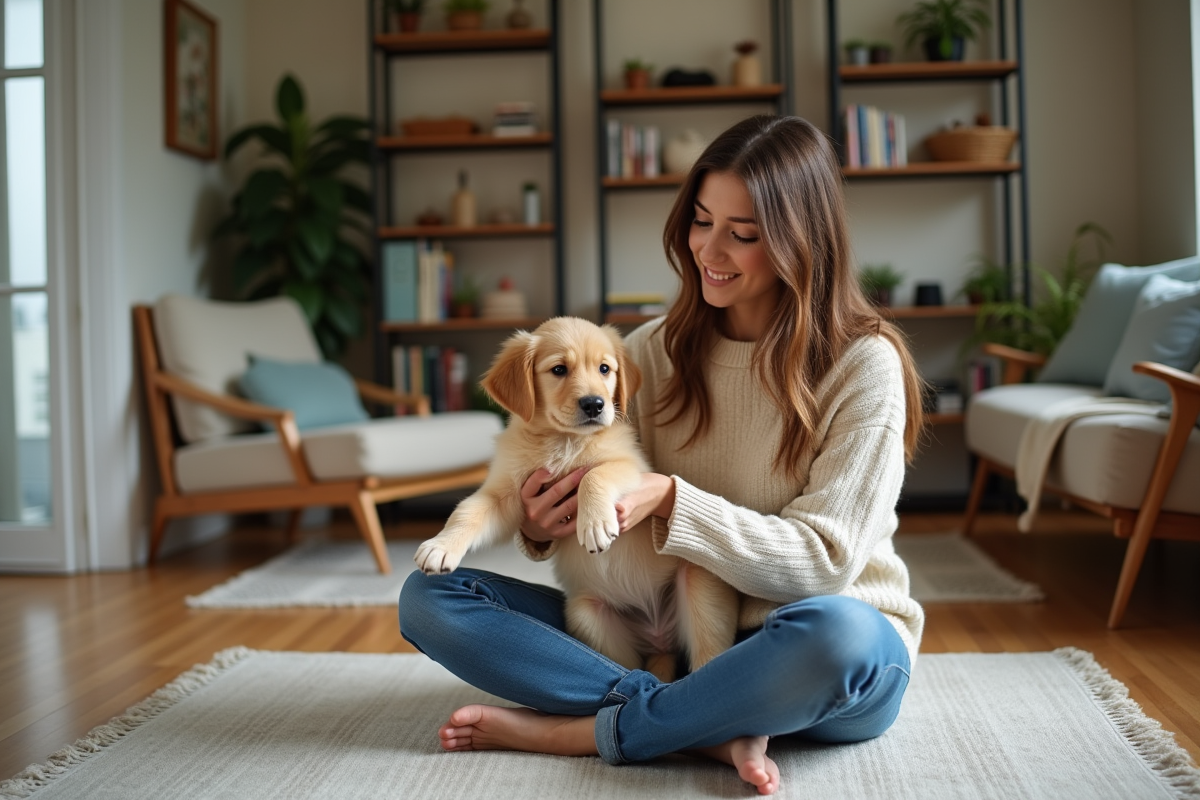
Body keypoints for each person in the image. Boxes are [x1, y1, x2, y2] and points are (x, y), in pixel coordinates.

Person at [399, 114, 926, 796]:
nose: (710, 249)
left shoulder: (863, 365)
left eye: (743, 234)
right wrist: (536, 522)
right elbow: (579, 470)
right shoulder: (645, 352)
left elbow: (825, 564)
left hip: (805, 644)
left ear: (802, 244)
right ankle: (701, 722)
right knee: (431, 599)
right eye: (701, 221)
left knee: (839, 635)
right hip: (668, 638)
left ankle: (587, 730)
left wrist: (675, 500)